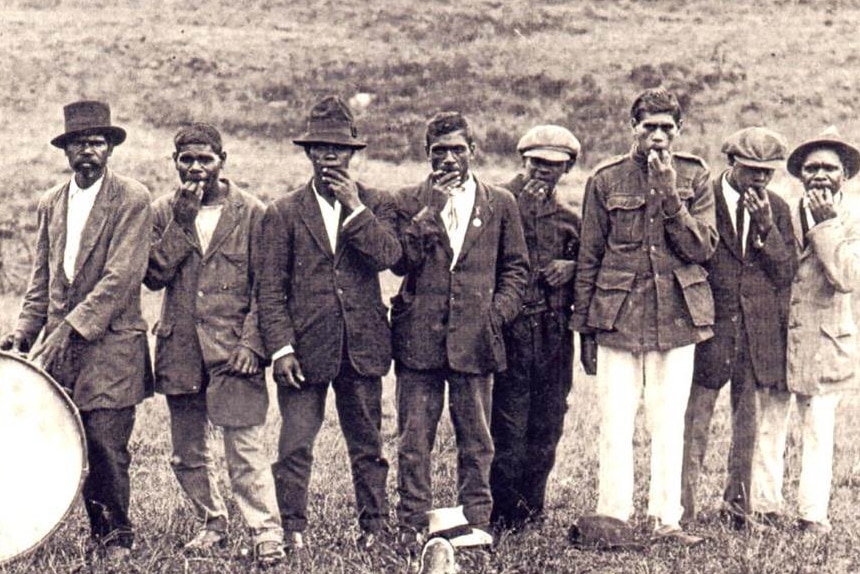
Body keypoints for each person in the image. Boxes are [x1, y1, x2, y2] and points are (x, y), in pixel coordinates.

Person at [1, 101, 153, 563]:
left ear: (110, 148)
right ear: (66, 150)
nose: (88, 151)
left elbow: (120, 278)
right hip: (60, 351)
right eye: (79, 143)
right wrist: (23, 333)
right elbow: (42, 281)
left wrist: (70, 328)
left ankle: (115, 537)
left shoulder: (132, 199)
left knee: (106, 443)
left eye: (97, 142)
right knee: (59, 440)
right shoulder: (52, 201)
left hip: (111, 347)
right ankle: (36, 528)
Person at [571, 88, 717, 545]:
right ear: (632, 126)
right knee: (615, 419)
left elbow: (702, 247)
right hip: (617, 318)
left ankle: (665, 519)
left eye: (666, 128)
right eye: (648, 126)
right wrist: (585, 331)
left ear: (679, 130)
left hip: (677, 317)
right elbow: (589, 257)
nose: (657, 136)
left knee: (669, 420)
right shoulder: (606, 179)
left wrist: (672, 196)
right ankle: (613, 515)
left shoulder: (695, 176)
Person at [257, 95, 400, 550]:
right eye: (320, 148)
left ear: (354, 153)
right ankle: (293, 529)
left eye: (339, 148)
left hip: (362, 346)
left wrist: (356, 209)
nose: (330, 156)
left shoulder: (375, 203)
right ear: (308, 153)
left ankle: (374, 528)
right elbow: (269, 289)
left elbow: (391, 257)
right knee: (295, 446)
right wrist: (280, 348)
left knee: (368, 446)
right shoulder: (282, 212)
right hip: (304, 350)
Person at [144, 123, 285, 565]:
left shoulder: (254, 212)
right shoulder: (163, 211)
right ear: (174, 162)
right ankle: (212, 522)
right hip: (180, 349)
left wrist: (253, 343)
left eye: (205, 159)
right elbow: (153, 275)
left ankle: (265, 530)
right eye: (186, 159)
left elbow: (267, 288)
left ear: (223, 160)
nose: (196, 168)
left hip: (234, 352)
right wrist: (180, 226)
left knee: (244, 445)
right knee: (187, 452)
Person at [391, 111, 529, 547]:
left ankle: (476, 525)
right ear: (426, 153)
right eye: (439, 151)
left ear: (474, 151)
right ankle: (414, 524)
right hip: (419, 339)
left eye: (458, 149)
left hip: (476, 340)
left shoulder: (500, 203)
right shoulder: (409, 200)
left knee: (477, 439)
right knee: (414, 439)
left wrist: (495, 315)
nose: (449, 159)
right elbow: (400, 262)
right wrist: (429, 211)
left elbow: (516, 270)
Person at [681, 127, 798, 527]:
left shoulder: (778, 208)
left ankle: (737, 509)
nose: (760, 179)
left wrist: (767, 227)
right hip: (709, 330)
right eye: (752, 170)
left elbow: (786, 274)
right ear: (731, 163)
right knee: (694, 423)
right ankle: (682, 510)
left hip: (756, 336)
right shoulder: (704, 200)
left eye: (768, 171)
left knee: (747, 427)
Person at [749, 127, 860, 535]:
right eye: (811, 168)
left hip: (826, 339)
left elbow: (848, 277)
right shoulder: (782, 211)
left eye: (829, 168)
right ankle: (764, 506)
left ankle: (813, 514)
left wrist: (828, 225)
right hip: (780, 334)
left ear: (844, 175)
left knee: (817, 430)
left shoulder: (854, 219)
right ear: (799, 174)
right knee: (770, 423)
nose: (819, 176)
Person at [489, 125, 581, 531]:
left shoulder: (569, 219)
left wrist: (573, 269)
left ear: (568, 168)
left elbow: (595, 265)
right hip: (512, 330)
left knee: (548, 422)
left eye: (554, 165)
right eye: (536, 163)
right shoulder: (496, 203)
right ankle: (500, 510)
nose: (543, 171)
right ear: (522, 161)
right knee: (508, 423)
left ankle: (531, 510)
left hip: (554, 333)